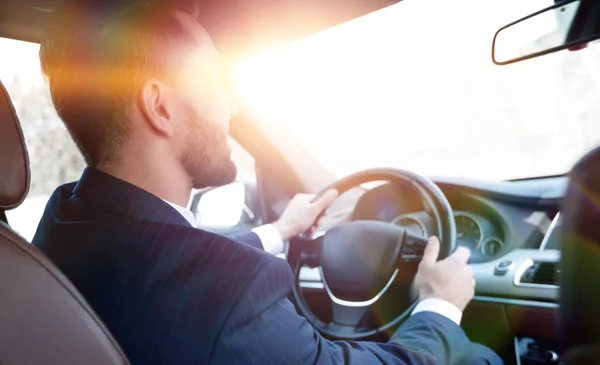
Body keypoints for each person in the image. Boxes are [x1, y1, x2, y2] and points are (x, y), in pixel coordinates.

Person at [32, 1, 502, 364]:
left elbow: (171, 269)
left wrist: (278, 231)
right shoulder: (227, 294)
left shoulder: (64, 223)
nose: (231, 107)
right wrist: (439, 306)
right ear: (159, 106)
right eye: (216, 82)